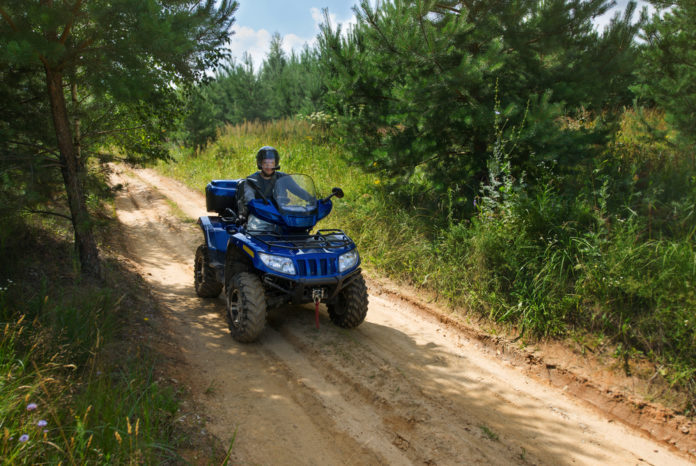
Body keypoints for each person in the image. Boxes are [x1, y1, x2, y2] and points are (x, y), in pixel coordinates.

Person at [237, 146, 312, 220]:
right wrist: (254, 204)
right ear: (260, 164)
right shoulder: (251, 180)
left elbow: (297, 190)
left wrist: (311, 199)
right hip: (259, 216)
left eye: (271, 163)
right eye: (265, 163)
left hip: (280, 215)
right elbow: (249, 197)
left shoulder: (283, 177)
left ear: (276, 163)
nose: (268, 166)